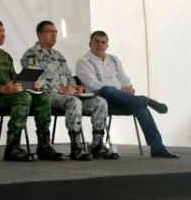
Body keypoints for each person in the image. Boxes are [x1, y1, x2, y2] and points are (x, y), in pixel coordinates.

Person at [0, 19, 65, 162]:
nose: (2, 35)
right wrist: (1, 88)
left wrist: (30, 83)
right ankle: (12, 147)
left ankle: (44, 145)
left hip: (8, 94)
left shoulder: (5, 56)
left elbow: (14, 78)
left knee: (42, 97)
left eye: (3, 32)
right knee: (22, 97)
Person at [21, 21, 118, 161]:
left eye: (55, 32)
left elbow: (68, 76)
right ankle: (76, 147)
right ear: (39, 34)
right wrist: (59, 89)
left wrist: (76, 87)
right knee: (73, 102)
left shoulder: (58, 55)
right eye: (49, 32)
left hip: (67, 95)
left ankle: (97, 145)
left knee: (100, 102)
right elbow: (30, 82)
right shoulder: (31, 55)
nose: (54, 35)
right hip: (47, 96)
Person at [75, 31, 177, 159]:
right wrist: (121, 90)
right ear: (90, 43)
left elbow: (124, 79)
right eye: (96, 41)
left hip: (122, 100)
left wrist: (128, 87)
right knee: (108, 89)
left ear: (107, 45)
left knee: (141, 109)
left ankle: (158, 148)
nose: (100, 45)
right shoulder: (83, 61)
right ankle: (147, 100)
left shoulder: (114, 59)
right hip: (100, 101)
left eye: (103, 42)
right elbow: (93, 84)